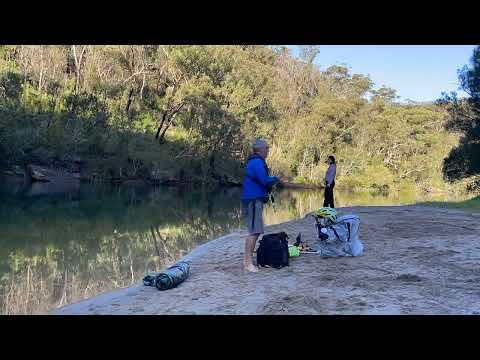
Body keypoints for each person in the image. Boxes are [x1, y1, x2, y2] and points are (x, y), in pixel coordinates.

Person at [241, 139, 280, 273]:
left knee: (254, 231)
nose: (268, 150)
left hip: (254, 199)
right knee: (254, 231)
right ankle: (248, 263)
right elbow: (264, 180)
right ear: (260, 150)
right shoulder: (257, 162)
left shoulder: (255, 161)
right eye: (267, 148)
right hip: (253, 200)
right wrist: (276, 179)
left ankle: (247, 261)